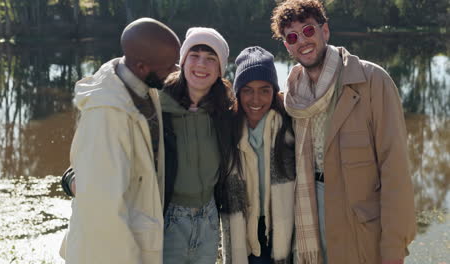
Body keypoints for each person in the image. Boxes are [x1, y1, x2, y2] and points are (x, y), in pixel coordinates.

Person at [270, 1, 416, 263]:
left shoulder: (372, 81)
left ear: (324, 31)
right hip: (310, 213)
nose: (302, 41)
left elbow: (395, 171)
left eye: (308, 31)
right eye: (292, 37)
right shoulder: (292, 95)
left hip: (358, 224)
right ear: (287, 46)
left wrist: (393, 248)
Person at [60, 17, 180, 264]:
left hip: (141, 238)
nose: (175, 70)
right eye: (168, 65)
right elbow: (103, 211)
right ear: (142, 66)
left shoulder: (140, 86)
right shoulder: (106, 115)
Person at [159, 27, 235, 264]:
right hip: (168, 217)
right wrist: (75, 178)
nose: (202, 64)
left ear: (220, 69)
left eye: (211, 58)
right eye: (195, 55)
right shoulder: (155, 108)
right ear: (182, 61)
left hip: (209, 216)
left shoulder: (226, 111)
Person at [218, 46, 296, 264]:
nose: (256, 99)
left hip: (281, 227)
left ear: (274, 91)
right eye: (247, 90)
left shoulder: (289, 128)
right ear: (238, 91)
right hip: (242, 227)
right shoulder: (227, 129)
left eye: (264, 90)